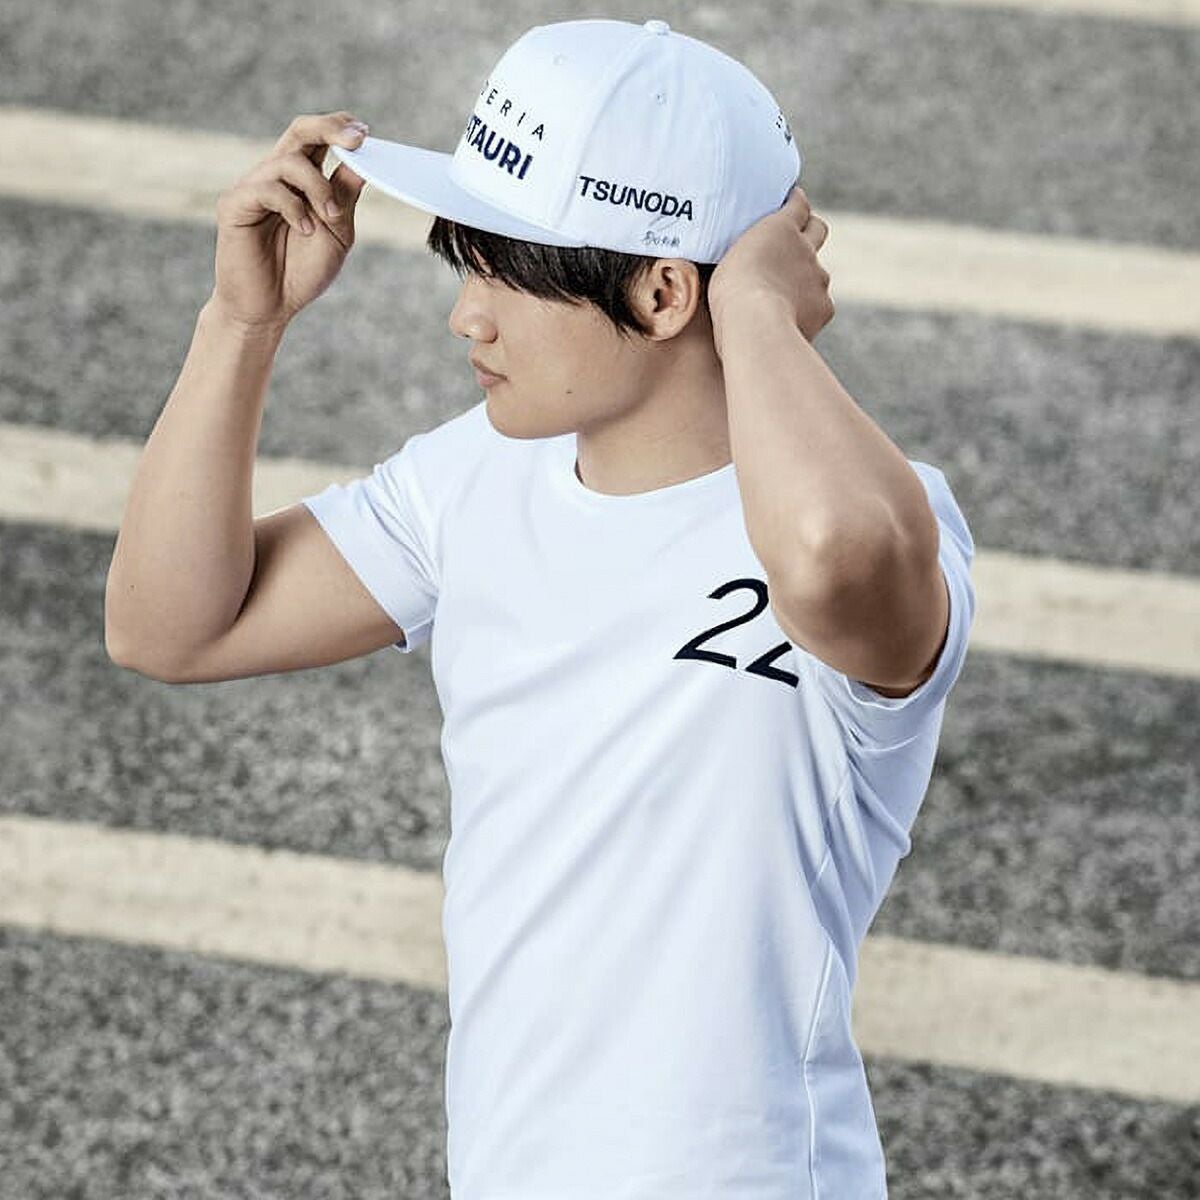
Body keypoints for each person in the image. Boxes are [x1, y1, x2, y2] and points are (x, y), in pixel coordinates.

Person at [105, 16, 976, 1200]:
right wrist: (241, 325)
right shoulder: (478, 472)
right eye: (466, 264)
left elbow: (831, 555)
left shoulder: (884, 516)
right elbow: (169, 627)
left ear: (664, 292)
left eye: (506, 273)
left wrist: (760, 315)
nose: (467, 315)